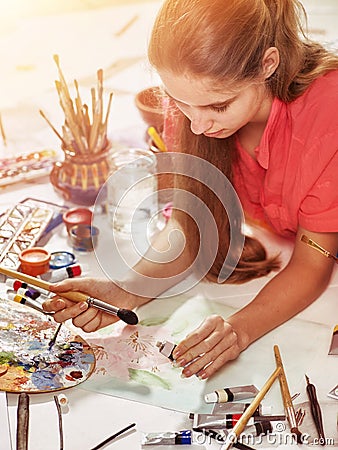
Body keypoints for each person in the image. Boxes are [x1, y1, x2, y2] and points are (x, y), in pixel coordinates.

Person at [43, 0, 338, 380]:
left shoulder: (327, 116)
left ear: (268, 65)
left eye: (219, 106)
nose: (197, 126)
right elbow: (190, 224)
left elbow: (314, 262)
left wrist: (239, 329)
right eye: (180, 103)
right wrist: (126, 288)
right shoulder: (193, 104)